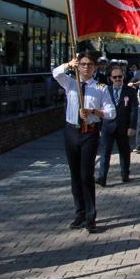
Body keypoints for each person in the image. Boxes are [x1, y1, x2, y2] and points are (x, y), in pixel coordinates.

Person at [52, 51, 116, 233]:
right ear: (77, 66)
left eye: (89, 64)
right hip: (71, 131)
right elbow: (56, 73)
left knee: (86, 175)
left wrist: (94, 112)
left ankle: (90, 216)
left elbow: (111, 112)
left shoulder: (101, 88)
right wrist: (68, 64)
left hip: (89, 133)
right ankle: (79, 213)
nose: (86, 67)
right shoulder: (70, 84)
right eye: (82, 64)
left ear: (95, 67)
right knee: (74, 176)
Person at [97, 65, 137, 186]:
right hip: (107, 127)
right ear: (110, 78)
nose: (118, 79)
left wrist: (132, 126)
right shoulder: (105, 91)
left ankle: (125, 175)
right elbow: (99, 109)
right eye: (115, 77)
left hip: (123, 127)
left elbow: (134, 110)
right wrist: (99, 128)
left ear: (123, 77)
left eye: (120, 76)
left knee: (124, 152)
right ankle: (102, 178)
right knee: (105, 153)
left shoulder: (130, 91)